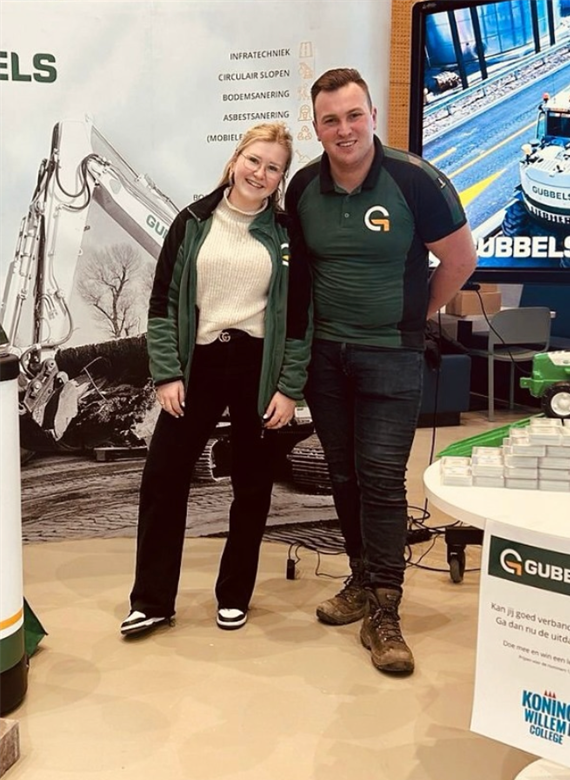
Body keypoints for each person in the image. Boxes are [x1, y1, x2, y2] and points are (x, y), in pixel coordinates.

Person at [285, 68, 477, 673]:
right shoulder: (303, 187)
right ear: (316, 127)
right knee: (343, 475)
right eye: (330, 120)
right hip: (326, 360)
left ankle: (386, 612)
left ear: (372, 116)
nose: (344, 129)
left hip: (391, 357)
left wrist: (414, 316)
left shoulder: (416, 181)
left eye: (354, 115)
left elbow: (460, 260)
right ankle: (361, 580)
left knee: (382, 479)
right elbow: (301, 274)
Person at [121, 122, 309, 637]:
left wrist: (288, 388)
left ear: (281, 178)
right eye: (254, 160)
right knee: (163, 478)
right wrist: (166, 373)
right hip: (198, 364)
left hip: (257, 367)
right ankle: (152, 601)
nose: (260, 173)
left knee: (252, 484)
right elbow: (162, 303)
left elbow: (299, 318)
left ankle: (234, 594)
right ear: (236, 159)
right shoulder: (191, 223)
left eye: (273, 168)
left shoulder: (287, 234)